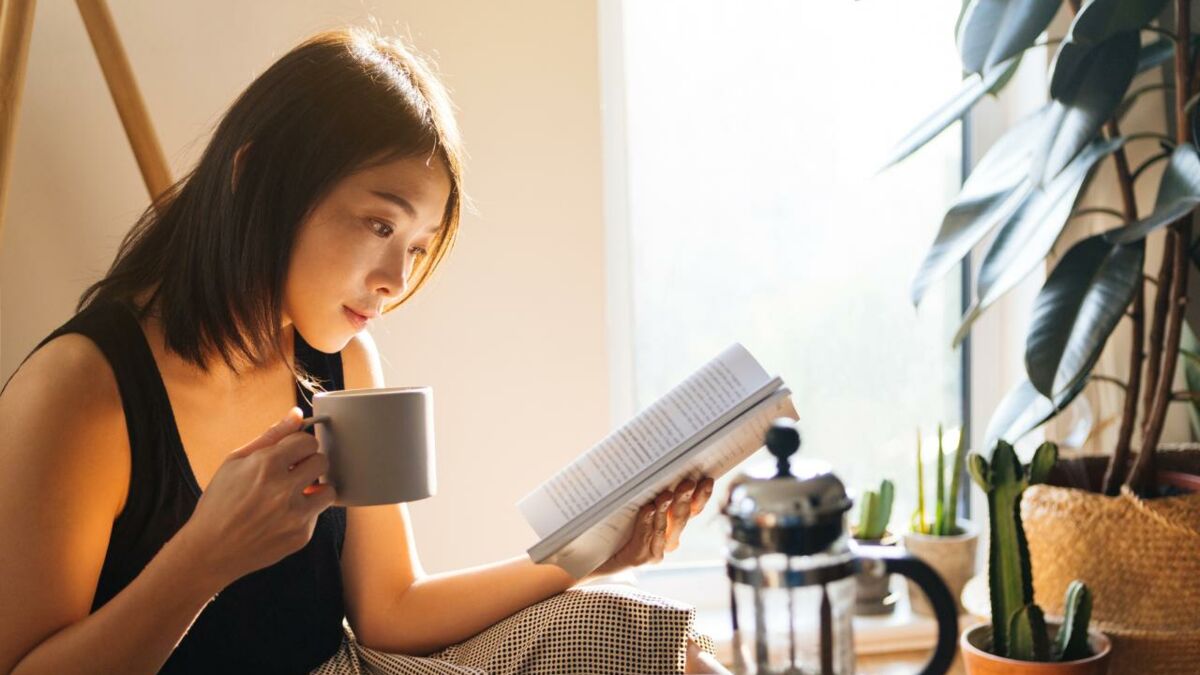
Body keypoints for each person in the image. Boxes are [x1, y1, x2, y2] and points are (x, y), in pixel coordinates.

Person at [0, 26, 730, 675]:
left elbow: (392, 610)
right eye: (380, 226)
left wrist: (592, 552)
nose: (394, 282)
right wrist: (203, 558)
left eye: (417, 246)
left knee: (648, 639)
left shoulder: (342, 362)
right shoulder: (81, 392)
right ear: (255, 178)